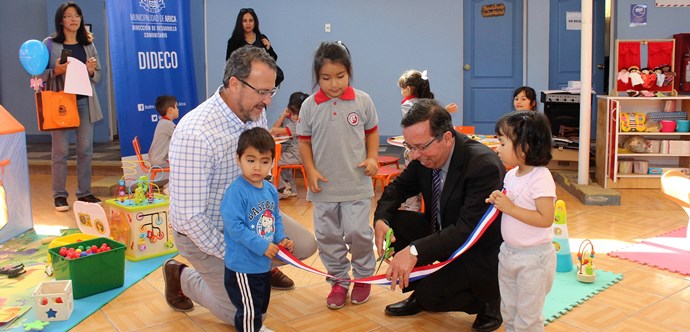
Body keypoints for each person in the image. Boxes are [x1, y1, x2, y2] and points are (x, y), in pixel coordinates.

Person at [163, 45, 317, 326]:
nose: (267, 101)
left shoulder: (254, 112)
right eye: (262, 92)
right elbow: (190, 218)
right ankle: (181, 276)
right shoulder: (195, 133)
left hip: (251, 217)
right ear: (234, 83)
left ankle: (260, 270)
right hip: (206, 234)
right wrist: (243, 252)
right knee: (243, 314)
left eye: (271, 92)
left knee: (304, 245)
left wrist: (265, 237)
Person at [373, 99, 505, 332]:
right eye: (410, 147)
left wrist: (414, 251)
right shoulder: (423, 156)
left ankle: (490, 299)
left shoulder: (482, 165)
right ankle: (421, 292)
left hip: (475, 249)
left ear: (446, 138)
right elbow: (397, 189)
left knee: (433, 297)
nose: (414, 155)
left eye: (421, 147)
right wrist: (381, 220)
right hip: (443, 230)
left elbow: (467, 230)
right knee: (396, 222)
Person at [297, 41, 379, 309]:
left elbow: (372, 133)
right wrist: (310, 170)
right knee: (327, 237)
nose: (333, 84)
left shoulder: (362, 101)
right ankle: (338, 281)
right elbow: (304, 141)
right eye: (326, 78)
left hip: (356, 184)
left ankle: (364, 276)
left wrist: (372, 158)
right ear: (317, 77)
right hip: (323, 188)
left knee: (358, 232)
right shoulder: (309, 106)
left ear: (349, 72)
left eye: (340, 76)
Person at [485, 110, 556, 331]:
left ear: (524, 148)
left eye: (503, 144)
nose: (498, 149)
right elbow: (513, 202)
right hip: (508, 253)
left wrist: (511, 208)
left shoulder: (541, 177)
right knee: (509, 310)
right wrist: (499, 199)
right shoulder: (511, 175)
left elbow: (546, 218)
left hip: (534, 260)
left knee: (528, 317)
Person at [221, 127, 294, 332]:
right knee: (248, 309)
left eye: (264, 161)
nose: (257, 167)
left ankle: (255, 327)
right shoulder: (236, 192)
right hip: (243, 267)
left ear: (272, 162)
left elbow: (275, 218)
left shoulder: (270, 189)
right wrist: (262, 245)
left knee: (260, 305)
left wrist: (282, 238)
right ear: (239, 159)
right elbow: (234, 227)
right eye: (250, 160)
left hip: (262, 264)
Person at [42, 2, 103, 212]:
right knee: (60, 151)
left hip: (84, 101)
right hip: (61, 103)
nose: (74, 19)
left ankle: (84, 192)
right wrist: (55, 71)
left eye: (77, 15)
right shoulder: (49, 44)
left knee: (85, 149)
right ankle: (59, 195)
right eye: (69, 16)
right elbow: (38, 75)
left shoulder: (88, 44)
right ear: (61, 20)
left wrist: (92, 71)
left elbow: (99, 76)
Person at [225, 8, 283, 87]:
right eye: (244, 21)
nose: (248, 23)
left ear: (255, 22)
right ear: (240, 23)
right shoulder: (234, 42)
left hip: (262, 79)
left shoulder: (262, 38)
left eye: (251, 20)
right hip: (244, 81)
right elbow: (229, 63)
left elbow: (273, 59)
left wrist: (268, 48)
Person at [269, 91, 308, 198]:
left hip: (297, 155)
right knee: (278, 158)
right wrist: (282, 116)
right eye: (293, 113)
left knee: (271, 162)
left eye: (296, 114)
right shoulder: (289, 118)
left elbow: (273, 131)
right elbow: (275, 129)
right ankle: (288, 188)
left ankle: (282, 187)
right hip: (289, 151)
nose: (294, 117)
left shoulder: (302, 123)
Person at [149, 95, 178, 169]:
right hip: (159, 162)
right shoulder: (167, 124)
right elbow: (181, 137)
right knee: (184, 164)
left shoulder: (164, 122)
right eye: (176, 107)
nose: (178, 110)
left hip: (156, 159)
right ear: (170, 110)